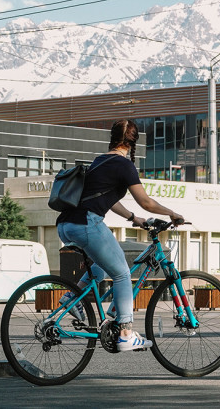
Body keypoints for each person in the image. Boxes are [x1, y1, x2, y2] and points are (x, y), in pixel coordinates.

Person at [56, 119, 184, 352]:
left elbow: (108, 198)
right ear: (134, 141)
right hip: (87, 223)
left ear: (113, 137)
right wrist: (172, 213)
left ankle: (70, 299)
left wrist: (133, 218)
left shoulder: (100, 161)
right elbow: (145, 201)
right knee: (123, 274)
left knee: (101, 268)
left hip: (66, 224)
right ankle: (125, 333)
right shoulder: (124, 165)